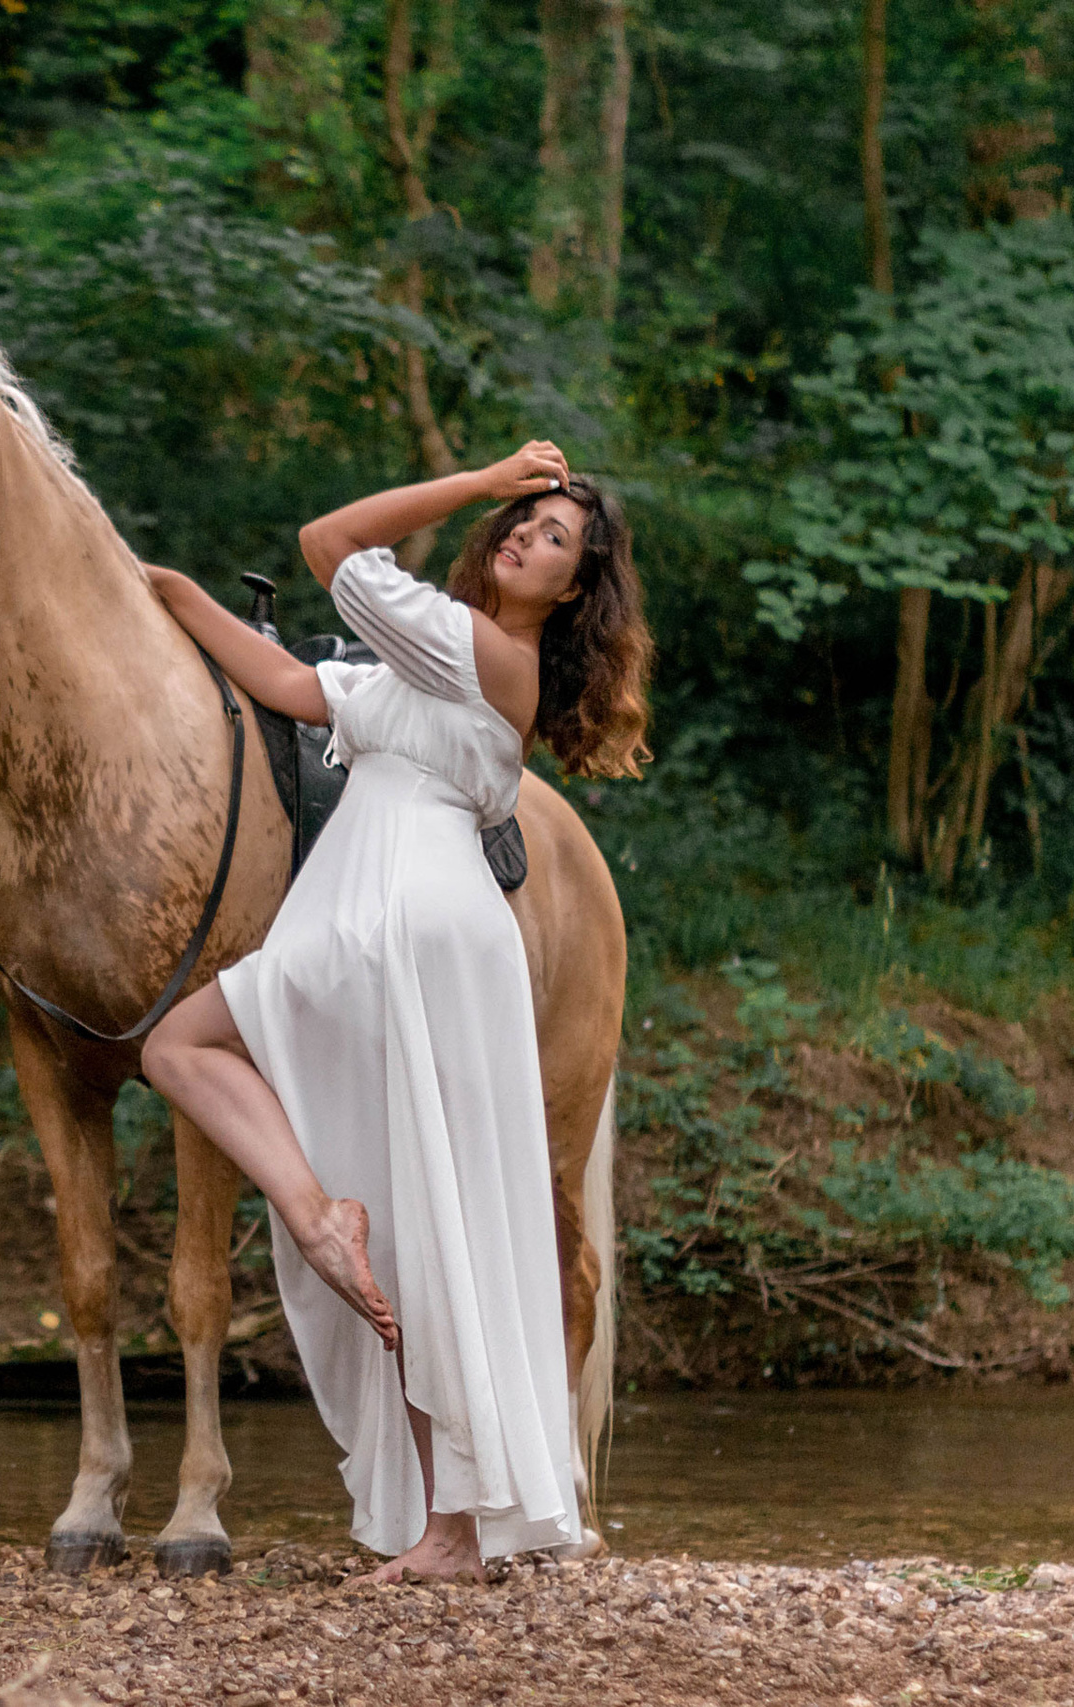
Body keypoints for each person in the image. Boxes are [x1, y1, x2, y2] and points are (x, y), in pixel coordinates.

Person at [138, 442, 652, 1582]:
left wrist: (479, 482)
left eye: (552, 536)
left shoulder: (487, 653)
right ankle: (439, 1512)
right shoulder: (426, 669)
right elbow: (285, 685)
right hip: (382, 914)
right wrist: (176, 599)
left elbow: (329, 544)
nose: (524, 534)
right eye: (521, 521)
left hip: (408, 918)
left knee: (192, 1049)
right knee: (202, 1062)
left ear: (571, 591)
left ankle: (449, 1520)